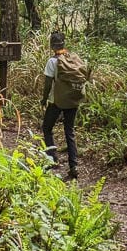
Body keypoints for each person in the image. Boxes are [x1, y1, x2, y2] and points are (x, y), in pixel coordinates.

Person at [42, 31, 84, 179]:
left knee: (47, 128)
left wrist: (44, 99)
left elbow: (48, 84)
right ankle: (74, 166)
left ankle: (52, 159)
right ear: (64, 44)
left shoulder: (52, 61)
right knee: (69, 131)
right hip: (73, 100)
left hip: (57, 101)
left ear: (52, 45)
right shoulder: (74, 58)